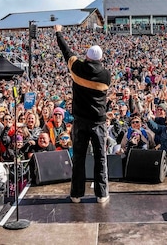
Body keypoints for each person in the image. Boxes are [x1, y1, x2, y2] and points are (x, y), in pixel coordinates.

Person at [55, 24, 111, 203]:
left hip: (80, 122)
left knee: (78, 158)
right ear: (101, 59)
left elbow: (66, 51)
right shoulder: (106, 75)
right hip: (98, 122)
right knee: (100, 157)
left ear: (86, 56)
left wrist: (58, 32)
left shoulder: (77, 68)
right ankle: (102, 194)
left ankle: (77, 194)